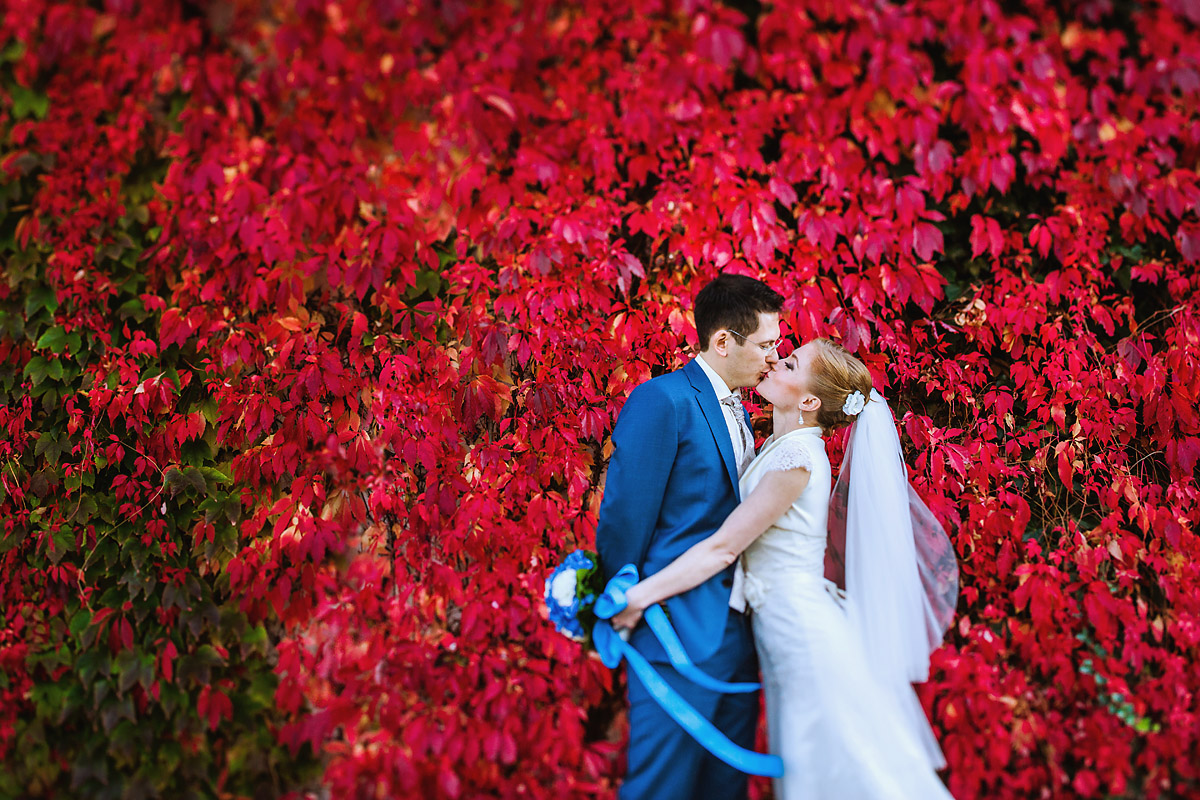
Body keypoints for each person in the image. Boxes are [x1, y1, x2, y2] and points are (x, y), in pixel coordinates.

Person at [611, 338, 959, 800]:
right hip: (778, 632)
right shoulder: (783, 446)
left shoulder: (798, 461)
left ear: (810, 401)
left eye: (791, 364)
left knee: (848, 771)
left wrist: (639, 596)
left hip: (801, 635)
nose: (775, 361)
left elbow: (723, 548)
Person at [595, 273, 784, 800]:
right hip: (673, 628)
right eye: (765, 345)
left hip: (739, 633)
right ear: (723, 341)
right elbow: (626, 517)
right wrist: (625, 602)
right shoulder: (663, 400)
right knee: (662, 787)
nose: (774, 357)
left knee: (723, 787)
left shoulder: (742, 408)